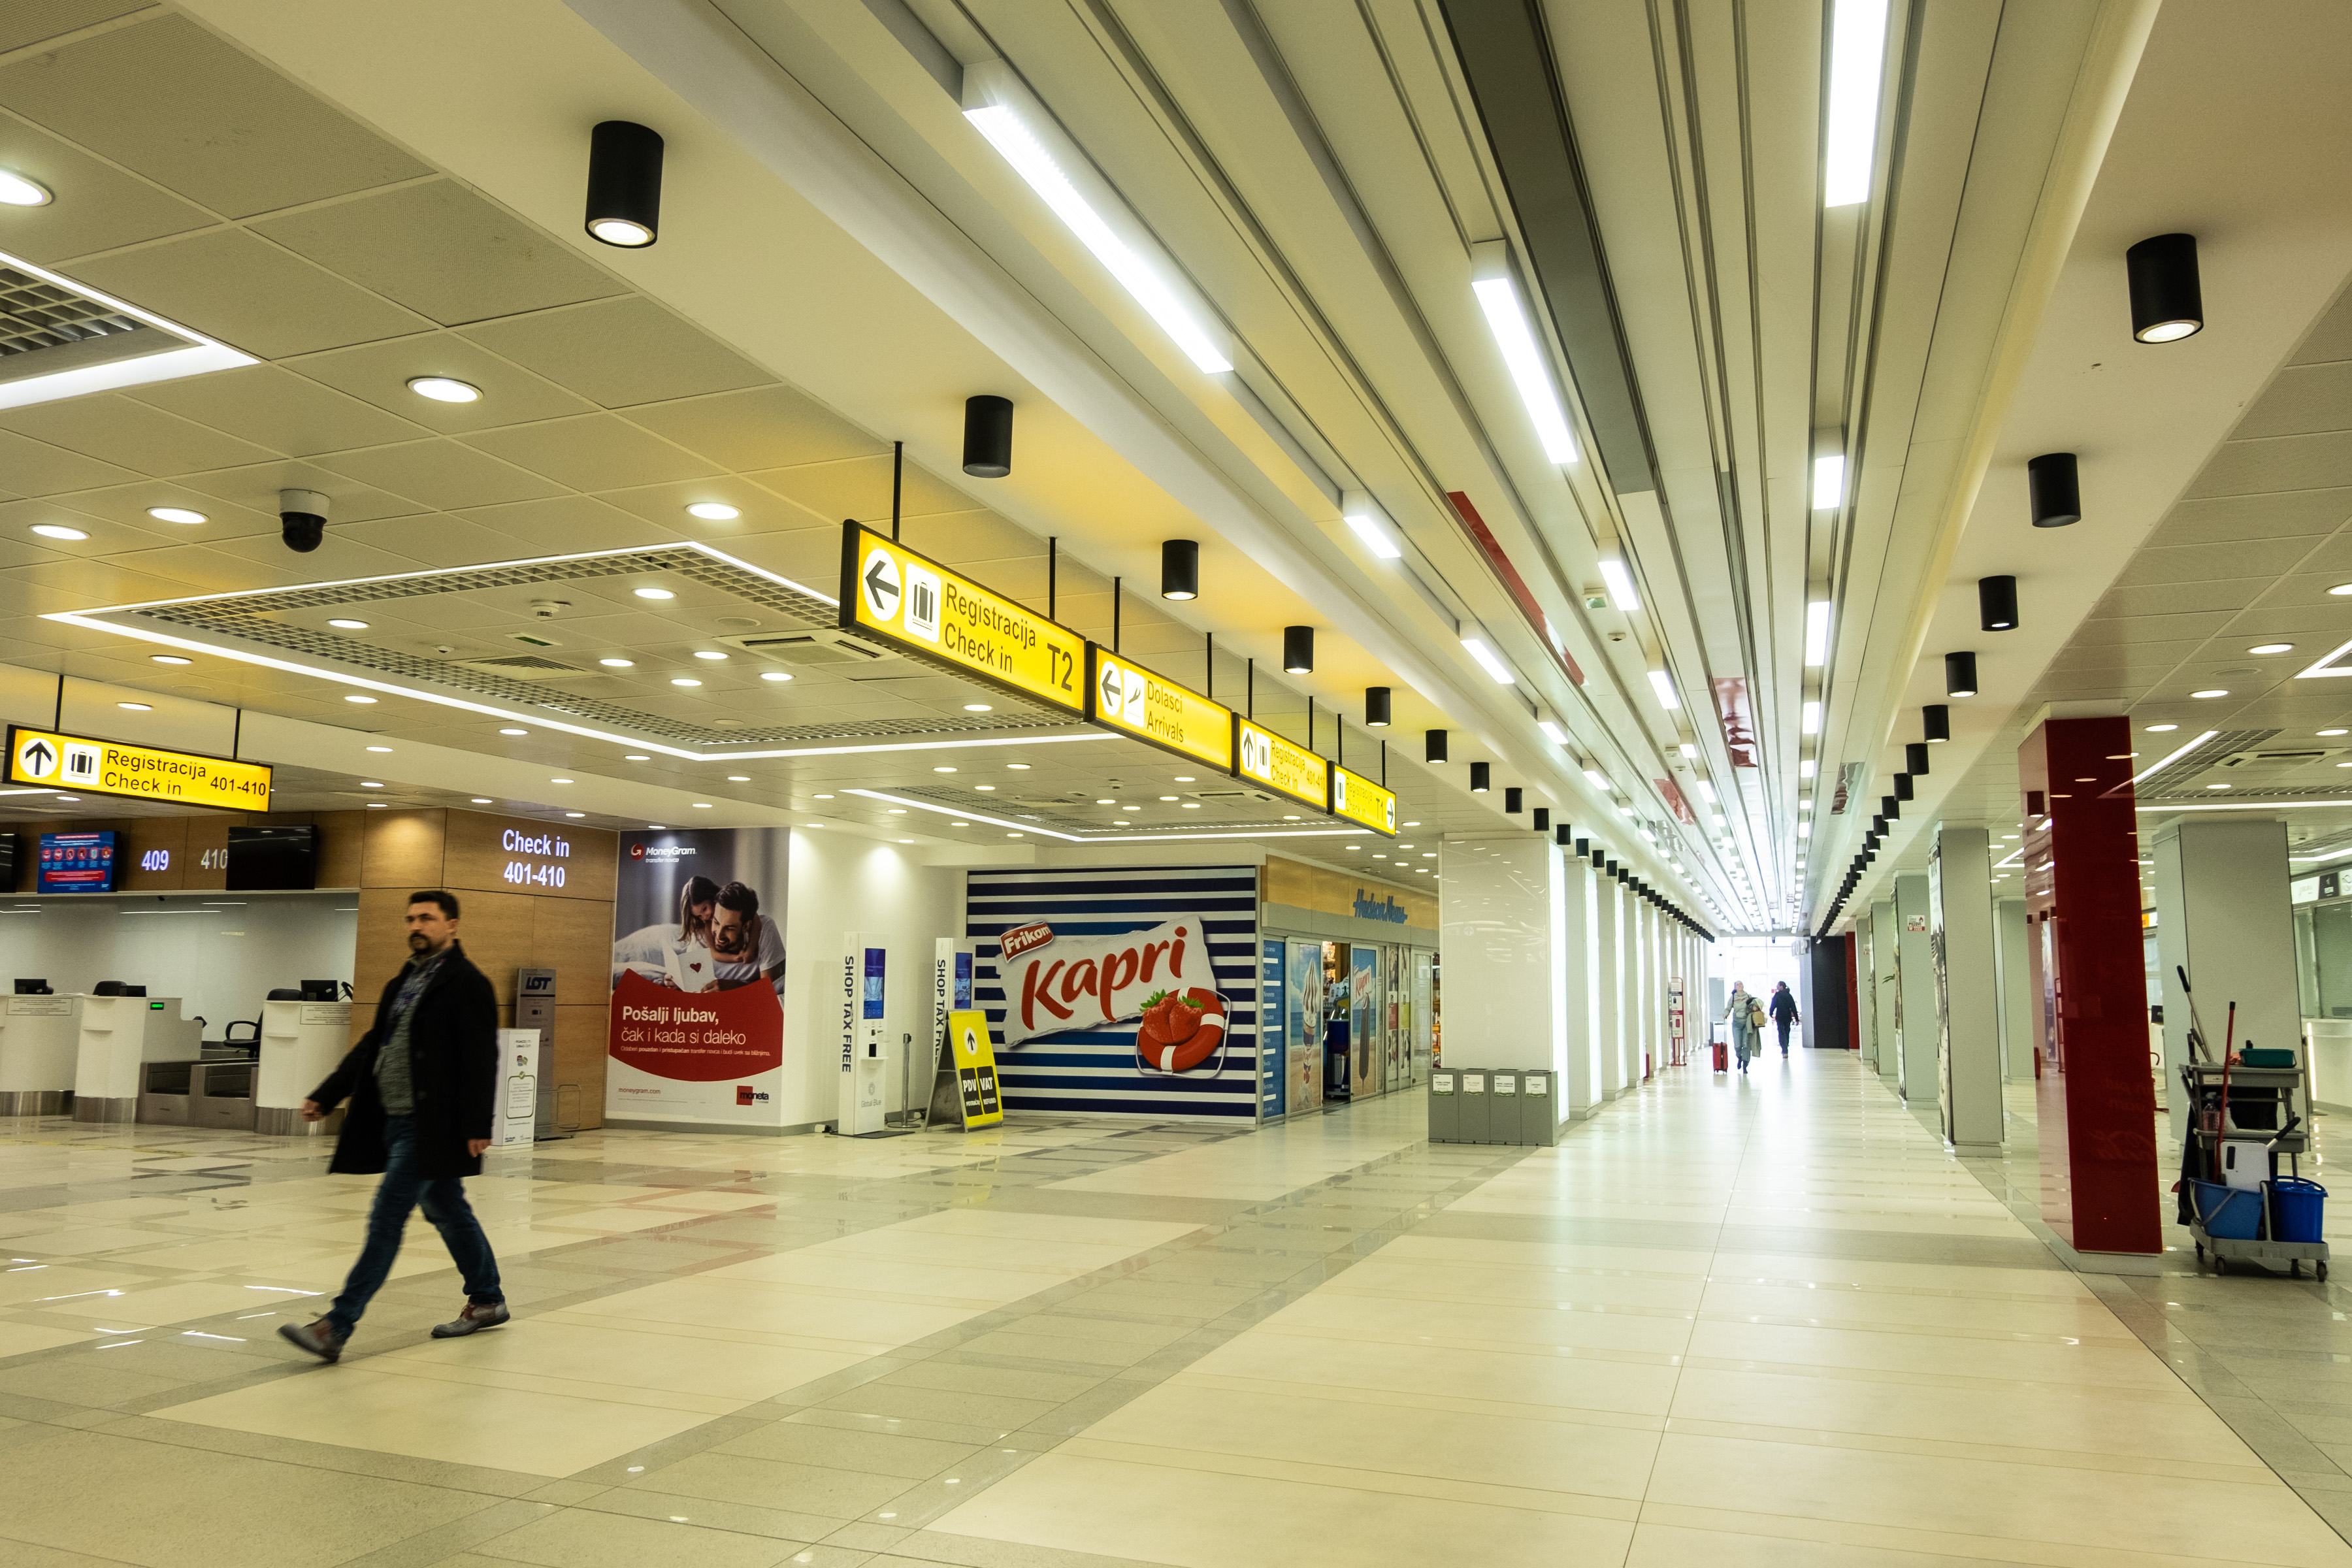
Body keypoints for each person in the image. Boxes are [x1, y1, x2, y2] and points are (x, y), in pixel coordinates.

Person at [278, 890, 506, 1363]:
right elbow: (372, 1047)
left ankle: (335, 1327)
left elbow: (482, 1059)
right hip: (395, 1117)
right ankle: (487, 1299)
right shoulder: (404, 980)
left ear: (453, 926)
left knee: (386, 1218)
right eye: (410, 919)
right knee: (446, 1208)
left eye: (427, 918)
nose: (416, 926)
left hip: (433, 1123)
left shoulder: (467, 982)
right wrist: (329, 1091)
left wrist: (478, 1123)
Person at [612, 874, 721, 992]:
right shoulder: (699, 933)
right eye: (699, 916)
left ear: (713, 897)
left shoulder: (735, 919)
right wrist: (679, 983)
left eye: (705, 909)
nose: (705, 917)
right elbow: (696, 975)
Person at [708, 880, 787, 1000]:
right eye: (716, 923)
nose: (719, 935)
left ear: (746, 926)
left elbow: (769, 992)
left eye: (729, 928)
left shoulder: (765, 929)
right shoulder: (700, 937)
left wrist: (733, 988)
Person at [1723, 981, 1763, 1073]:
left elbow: (1756, 1004)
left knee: (1746, 1044)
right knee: (1738, 1045)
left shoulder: (1748, 996)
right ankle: (1740, 1057)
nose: (1740, 986)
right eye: (1737, 985)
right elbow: (1728, 1008)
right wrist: (1725, 1014)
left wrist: (1755, 1008)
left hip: (1747, 1024)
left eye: (1741, 984)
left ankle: (1745, 1065)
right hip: (1737, 1024)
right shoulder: (1733, 998)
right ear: (1735, 987)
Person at [1769, 981, 1801, 1056]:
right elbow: (1793, 1007)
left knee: (1781, 1032)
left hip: (1780, 1016)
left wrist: (1771, 1012)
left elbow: (1773, 1005)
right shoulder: (1789, 995)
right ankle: (1786, 1048)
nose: (1777, 987)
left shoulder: (1777, 995)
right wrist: (1796, 1018)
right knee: (1786, 1032)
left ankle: (1784, 1049)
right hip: (1787, 1016)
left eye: (1778, 986)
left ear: (1781, 986)